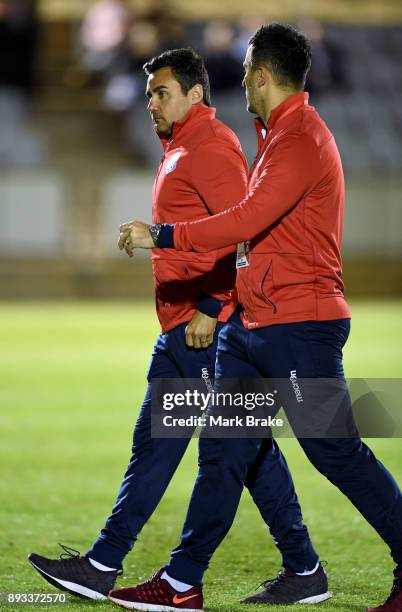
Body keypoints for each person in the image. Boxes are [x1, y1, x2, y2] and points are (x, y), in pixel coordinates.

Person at [111, 24, 402, 612]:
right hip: (253, 331)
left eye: (244, 70)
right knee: (224, 448)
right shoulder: (277, 136)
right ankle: (181, 582)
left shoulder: (300, 139)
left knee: (334, 450)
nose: (239, 80)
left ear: (261, 75)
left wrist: (161, 235)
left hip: (299, 329)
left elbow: (245, 220)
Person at [28, 48, 324, 603]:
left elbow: (242, 233)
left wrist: (211, 307)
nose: (152, 104)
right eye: (148, 95)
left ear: (195, 94)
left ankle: (104, 563)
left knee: (161, 445)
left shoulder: (209, 147)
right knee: (250, 451)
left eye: (162, 93)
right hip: (189, 327)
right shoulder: (182, 148)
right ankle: (305, 568)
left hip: (200, 333)